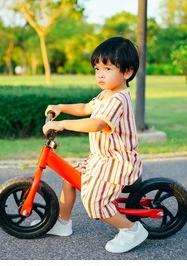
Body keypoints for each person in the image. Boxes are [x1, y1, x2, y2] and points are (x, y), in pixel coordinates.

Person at [42, 37, 148, 253]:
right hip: (101, 158)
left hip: (118, 161)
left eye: (107, 68)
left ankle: (131, 230)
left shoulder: (118, 100)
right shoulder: (106, 94)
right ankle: (63, 222)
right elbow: (85, 108)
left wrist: (62, 124)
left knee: (95, 201)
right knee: (70, 176)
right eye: (97, 68)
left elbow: (97, 123)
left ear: (127, 72)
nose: (100, 74)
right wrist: (62, 107)